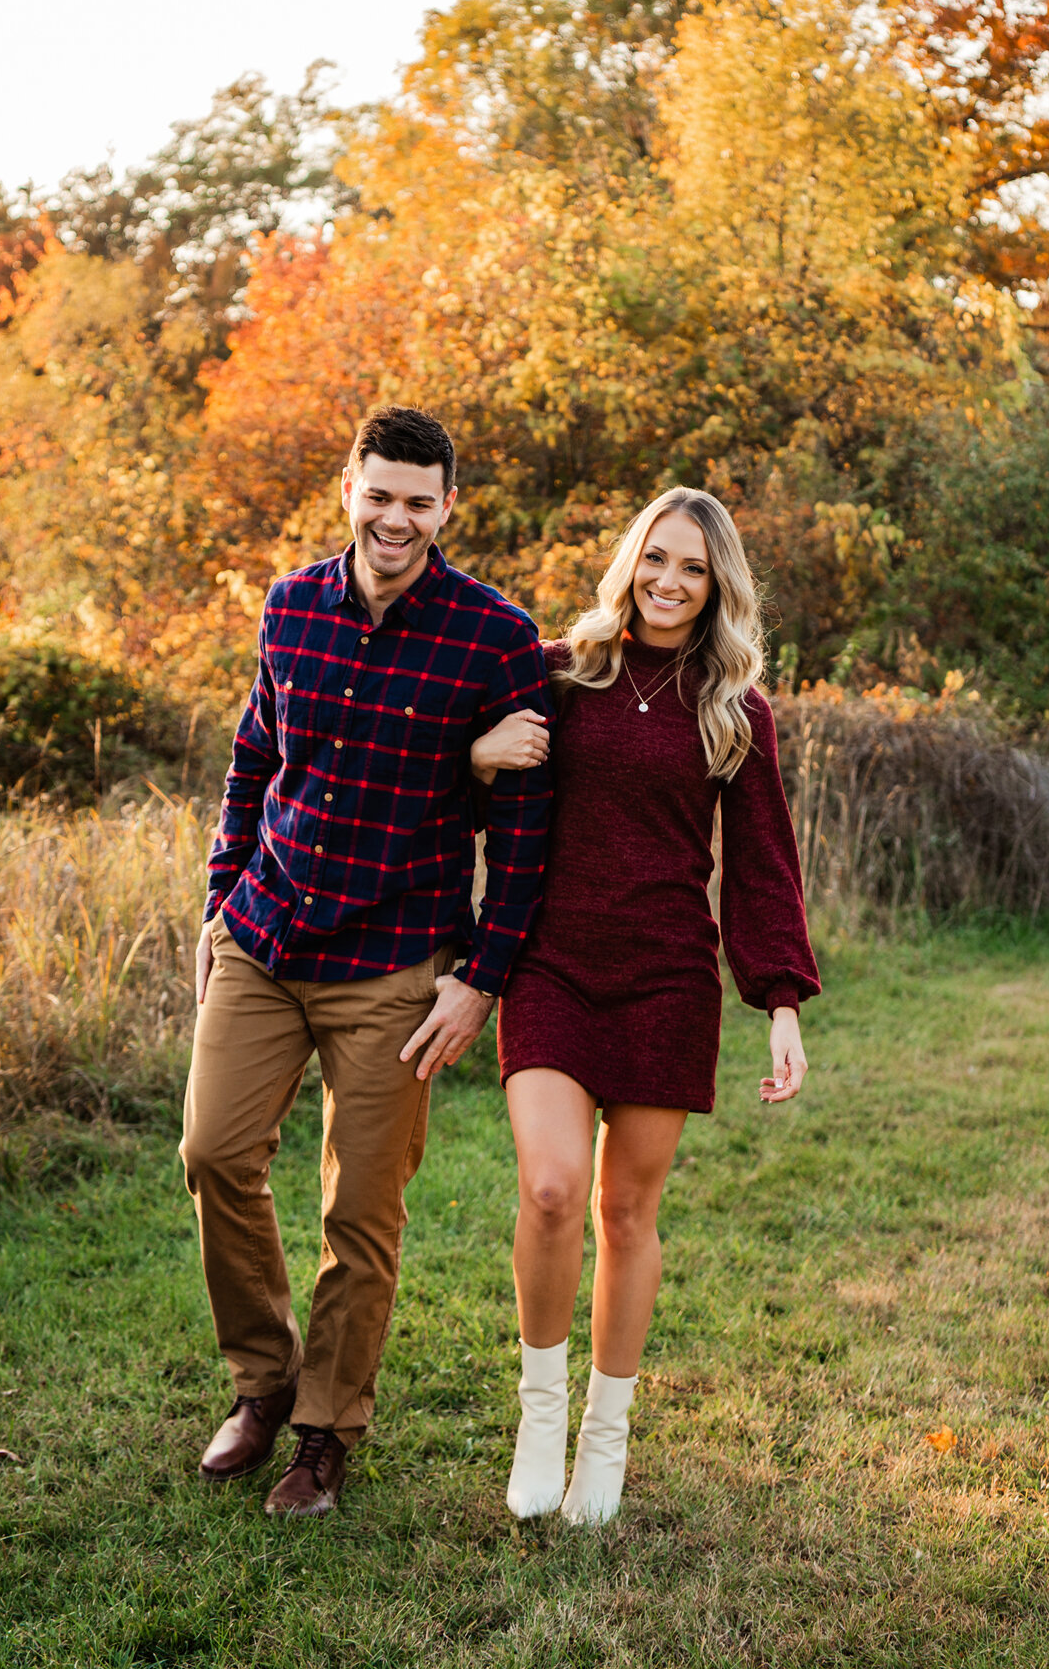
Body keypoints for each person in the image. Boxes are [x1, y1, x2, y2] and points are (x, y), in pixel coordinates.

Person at [181, 406, 553, 1519]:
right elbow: (256, 757)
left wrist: (479, 973)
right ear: (348, 487)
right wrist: (217, 899)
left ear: (449, 508)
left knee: (362, 1208)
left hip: (397, 958)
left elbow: (525, 831)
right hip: (266, 931)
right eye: (377, 493)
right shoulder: (289, 604)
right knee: (213, 1153)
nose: (395, 517)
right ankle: (261, 1379)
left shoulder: (495, 635)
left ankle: (325, 1429)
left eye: (418, 500)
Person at [469, 487, 820, 1525]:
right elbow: (457, 783)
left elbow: (762, 866)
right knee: (549, 1187)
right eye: (656, 560)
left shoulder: (731, 705)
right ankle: (540, 1415)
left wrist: (782, 999)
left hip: (667, 977)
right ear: (630, 562)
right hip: (551, 964)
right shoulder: (556, 674)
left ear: (718, 587)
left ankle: (606, 1436)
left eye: (694, 570)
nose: (670, 582)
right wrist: (477, 753)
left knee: (626, 1211)